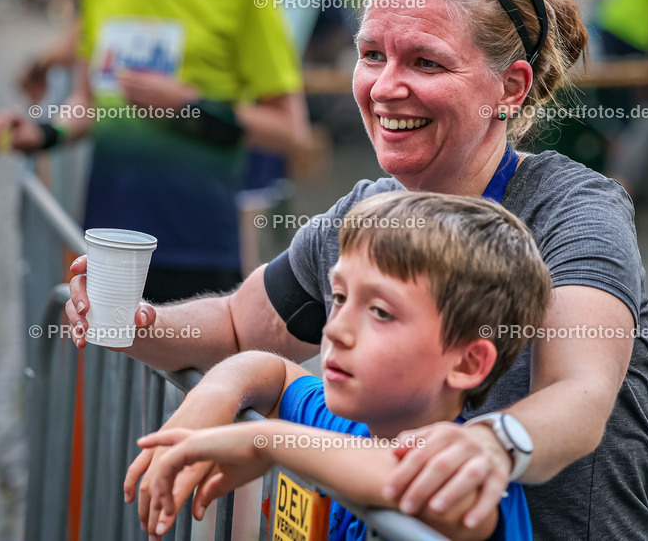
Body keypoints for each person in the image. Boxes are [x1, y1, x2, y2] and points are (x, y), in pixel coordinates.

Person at [66, 0, 648, 538]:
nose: (384, 87)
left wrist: (492, 445)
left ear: (509, 88)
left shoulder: (573, 207)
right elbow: (243, 328)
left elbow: (582, 393)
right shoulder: (371, 210)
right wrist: (140, 323)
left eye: (425, 61)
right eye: (372, 54)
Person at [130, 192, 546, 540]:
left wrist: (268, 440)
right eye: (340, 297)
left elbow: (419, 482)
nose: (336, 330)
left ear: (467, 362)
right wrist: (217, 392)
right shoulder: (344, 425)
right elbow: (271, 371)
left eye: (381, 312)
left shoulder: (472, 470)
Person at [0, 0, 310, 303]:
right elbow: (88, 102)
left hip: (194, 247)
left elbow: (291, 132)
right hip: (106, 242)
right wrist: (42, 133)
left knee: (189, 376)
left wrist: (192, 107)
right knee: (110, 372)